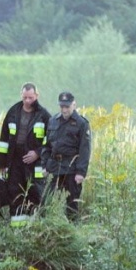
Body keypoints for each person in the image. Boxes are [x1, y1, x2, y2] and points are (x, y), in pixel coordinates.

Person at [0, 83, 51, 228]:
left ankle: (33, 227)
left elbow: (51, 141)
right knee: (15, 192)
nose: (27, 101)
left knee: (35, 192)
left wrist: (37, 153)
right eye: (25, 97)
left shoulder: (44, 115)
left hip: (34, 163)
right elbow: (4, 139)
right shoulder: (13, 112)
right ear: (21, 95)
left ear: (37, 96)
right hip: (15, 160)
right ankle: (17, 228)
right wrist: (1, 163)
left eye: (31, 98)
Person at [42, 92, 92, 221]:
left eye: (67, 107)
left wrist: (81, 172)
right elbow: (47, 146)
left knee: (71, 206)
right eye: (62, 106)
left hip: (71, 168)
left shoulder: (81, 123)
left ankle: (72, 232)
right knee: (46, 200)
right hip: (54, 167)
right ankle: (47, 228)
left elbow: (85, 150)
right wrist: (45, 166)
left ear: (74, 105)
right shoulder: (53, 121)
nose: (64, 109)